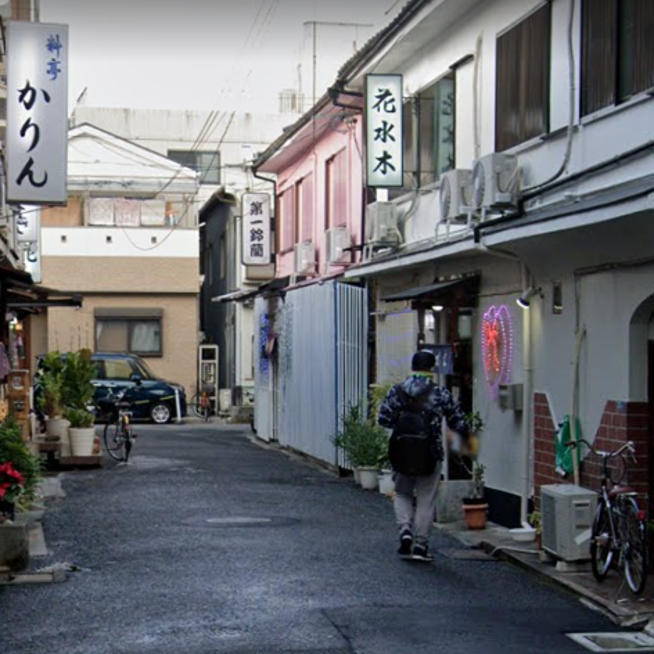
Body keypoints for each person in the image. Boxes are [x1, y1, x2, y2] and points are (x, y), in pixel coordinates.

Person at [378, 350, 470, 562]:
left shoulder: (397, 391)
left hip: (401, 452)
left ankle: (405, 531)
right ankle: (420, 545)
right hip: (430, 453)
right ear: (431, 368)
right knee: (426, 500)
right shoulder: (440, 393)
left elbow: (384, 419)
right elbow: (459, 423)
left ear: (412, 366)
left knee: (402, 493)